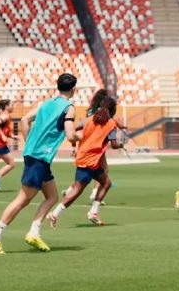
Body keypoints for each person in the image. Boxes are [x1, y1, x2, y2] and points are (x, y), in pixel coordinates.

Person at [0, 73, 79, 255]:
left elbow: (24, 120)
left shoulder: (46, 103)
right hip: (39, 157)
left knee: (52, 196)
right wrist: (84, 136)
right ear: (74, 89)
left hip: (35, 156)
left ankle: (34, 232)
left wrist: (29, 142)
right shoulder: (69, 107)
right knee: (23, 199)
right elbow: (70, 135)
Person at [48, 96, 123, 227]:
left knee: (106, 183)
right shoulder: (111, 124)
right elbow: (115, 144)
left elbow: (72, 130)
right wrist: (122, 144)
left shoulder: (88, 120)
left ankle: (93, 213)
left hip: (88, 159)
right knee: (77, 191)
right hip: (89, 162)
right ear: (113, 109)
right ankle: (54, 214)